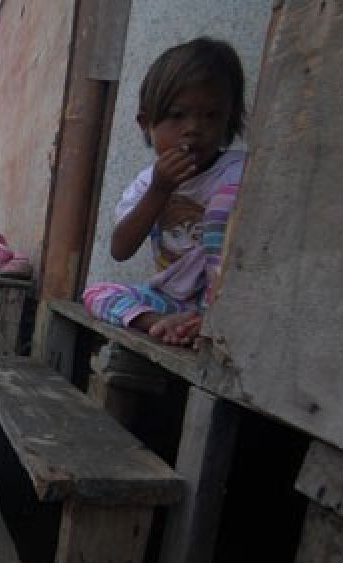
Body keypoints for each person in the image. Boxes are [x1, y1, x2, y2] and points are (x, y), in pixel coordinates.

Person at [82, 37, 247, 346]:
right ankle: (161, 323)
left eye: (211, 116)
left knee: (229, 200)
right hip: (170, 300)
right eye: (177, 115)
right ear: (147, 124)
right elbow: (121, 249)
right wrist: (160, 189)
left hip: (222, 306)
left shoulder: (239, 172)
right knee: (96, 294)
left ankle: (207, 320)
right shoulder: (148, 183)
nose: (194, 128)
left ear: (229, 119)